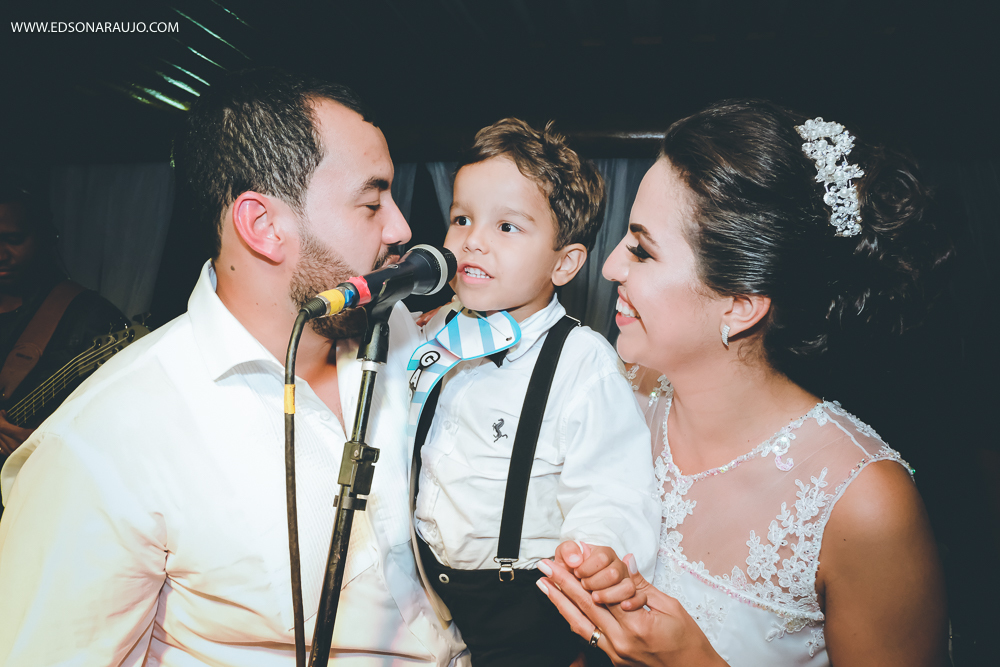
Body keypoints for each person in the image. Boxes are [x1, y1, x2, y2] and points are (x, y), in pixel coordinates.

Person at [0, 69, 467, 666]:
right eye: (372, 202)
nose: (401, 228)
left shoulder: (396, 330)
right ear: (263, 226)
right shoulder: (101, 445)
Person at [534, 100, 950, 666]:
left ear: (739, 306)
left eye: (642, 249)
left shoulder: (864, 505)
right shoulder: (613, 392)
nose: (609, 267)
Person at [408, 119, 659, 667]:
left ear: (564, 262)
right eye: (462, 218)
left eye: (507, 226)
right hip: (425, 588)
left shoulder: (584, 362)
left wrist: (597, 549)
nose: (472, 240)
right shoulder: (431, 332)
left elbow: (613, 486)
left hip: (520, 607)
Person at [0, 183, 129, 463]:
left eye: (14, 239)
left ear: (46, 238)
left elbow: (122, 422)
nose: (1, 255)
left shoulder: (88, 315)